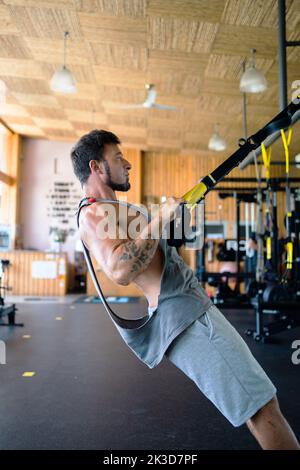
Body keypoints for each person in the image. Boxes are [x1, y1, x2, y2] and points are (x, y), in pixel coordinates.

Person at [71, 129, 299, 450]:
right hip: (187, 320)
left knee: (261, 404)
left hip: (193, 312)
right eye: (118, 157)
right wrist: (162, 216)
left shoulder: (120, 210)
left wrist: (173, 221)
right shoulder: (94, 214)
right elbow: (121, 269)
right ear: (96, 167)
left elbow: (158, 251)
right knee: (261, 407)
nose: (128, 164)